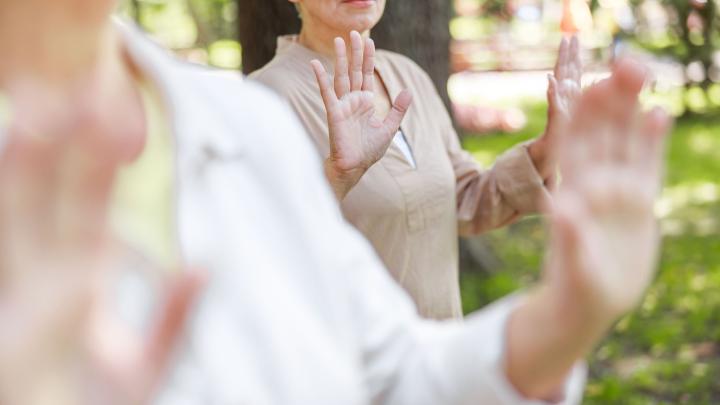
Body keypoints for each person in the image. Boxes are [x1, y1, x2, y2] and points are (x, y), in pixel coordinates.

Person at [0, 1, 670, 404]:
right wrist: (335, 176)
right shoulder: (269, 100)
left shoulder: (245, 119)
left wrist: (569, 309)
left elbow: (401, 366)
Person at [250, 0, 583, 320]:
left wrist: (548, 145)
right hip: (350, 365)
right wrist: (337, 176)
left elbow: (465, 199)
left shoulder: (408, 75)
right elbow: (260, 250)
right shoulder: (264, 98)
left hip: (439, 357)